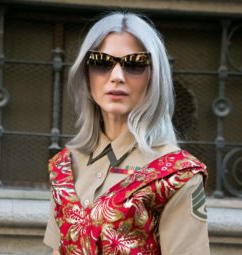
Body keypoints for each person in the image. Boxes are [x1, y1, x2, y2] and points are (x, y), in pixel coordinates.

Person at [44, 11, 210, 255]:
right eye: (101, 62)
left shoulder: (177, 176)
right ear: (86, 72)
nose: (117, 77)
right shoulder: (65, 166)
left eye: (134, 64)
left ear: (153, 76)